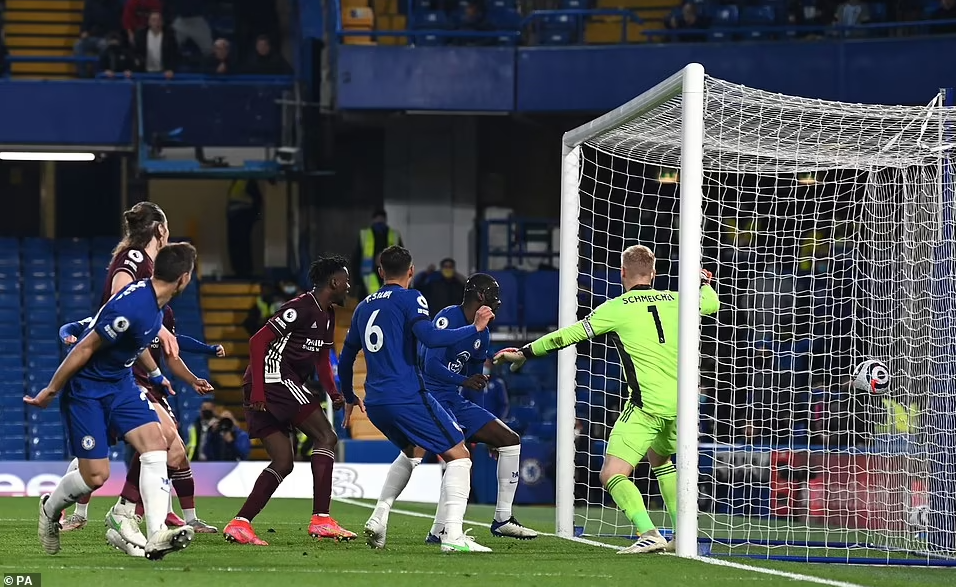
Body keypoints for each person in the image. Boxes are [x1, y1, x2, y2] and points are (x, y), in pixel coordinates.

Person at [495, 245, 720, 555]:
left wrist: (525, 352)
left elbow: (568, 335)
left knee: (612, 473)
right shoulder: (677, 300)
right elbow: (711, 303)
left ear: (622, 273)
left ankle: (648, 532)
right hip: (682, 406)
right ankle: (682, 534)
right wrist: (703, 281)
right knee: (661, 460)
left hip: (646, 407)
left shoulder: (615, 308)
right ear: (653, 273)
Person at [24, 243, 201, 560]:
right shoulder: (135, 305)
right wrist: (50, 390)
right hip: (87, 391)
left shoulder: (155, 303)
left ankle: (157, 533)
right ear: (184, 278)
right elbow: (85, 347)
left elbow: (137, 341)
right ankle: (50, 509)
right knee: (96, 476)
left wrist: (156, 374)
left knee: (155, 444)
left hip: (121, 384)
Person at [338, 246, 495, 553]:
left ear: (380, 272)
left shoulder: (363, 306)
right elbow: (431, 338)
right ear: (411, 270)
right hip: (406, 395)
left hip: (376, 402)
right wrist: (474, 328)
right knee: (460, 455)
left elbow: (346, 359)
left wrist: (348, 395)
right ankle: (452, 536)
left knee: (413, 450)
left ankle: (379, 516)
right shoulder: (412, 298)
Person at [364, 273, 537, 547]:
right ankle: (394, 517)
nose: (498, 302)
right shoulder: (448, 317)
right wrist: (462, 381)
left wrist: (482, 428)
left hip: (455, 401)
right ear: (480, 296)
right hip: (429, 397)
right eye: (494, 295)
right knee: (417, 453)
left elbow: (477, 382)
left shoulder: (484, 333)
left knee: (509, 440)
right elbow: (431, 365)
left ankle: (502, 518)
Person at [58, 202, 183, 545]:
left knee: (159, 441)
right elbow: (119, 298)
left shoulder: (149, 265)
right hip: (116, 365)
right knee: (160, 438)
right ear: (160, 229)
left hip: (130, 363)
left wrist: (156, 369)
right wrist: (158, 329)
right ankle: (119, 511)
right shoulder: (134, 258)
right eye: (167, 227)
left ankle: (128, 514)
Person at [223, 255, 357, 546]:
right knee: (326, 437)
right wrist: (259, 392)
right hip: (273, 379)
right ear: (334, 282)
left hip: (271, 383)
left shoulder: (328, 314)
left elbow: (321, 358)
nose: (349, 287)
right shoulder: (300, 308)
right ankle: (321, 519)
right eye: (346, 281)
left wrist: (333, 392)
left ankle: (240, 523)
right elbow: (257, 341)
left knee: (283, 461)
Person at [56, 306, 223, 537]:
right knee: (94, 455)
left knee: (177, 452)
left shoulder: (164, 313)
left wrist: (202, 360)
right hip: (121, 388)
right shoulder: (122, 307)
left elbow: (173, 344)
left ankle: (176, 517)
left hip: (151, 388)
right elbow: (75, 326)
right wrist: (67, 336)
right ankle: (89, 512)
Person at [351, 209, 403, 299]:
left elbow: (403, 259)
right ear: (373, 220)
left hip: (389, 279)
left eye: (381, 219)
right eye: (378, 219)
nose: (380, 221)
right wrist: (357, 282)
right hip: (367, 283)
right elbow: (356, 260)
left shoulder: (394, 235)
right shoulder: (365, 235)